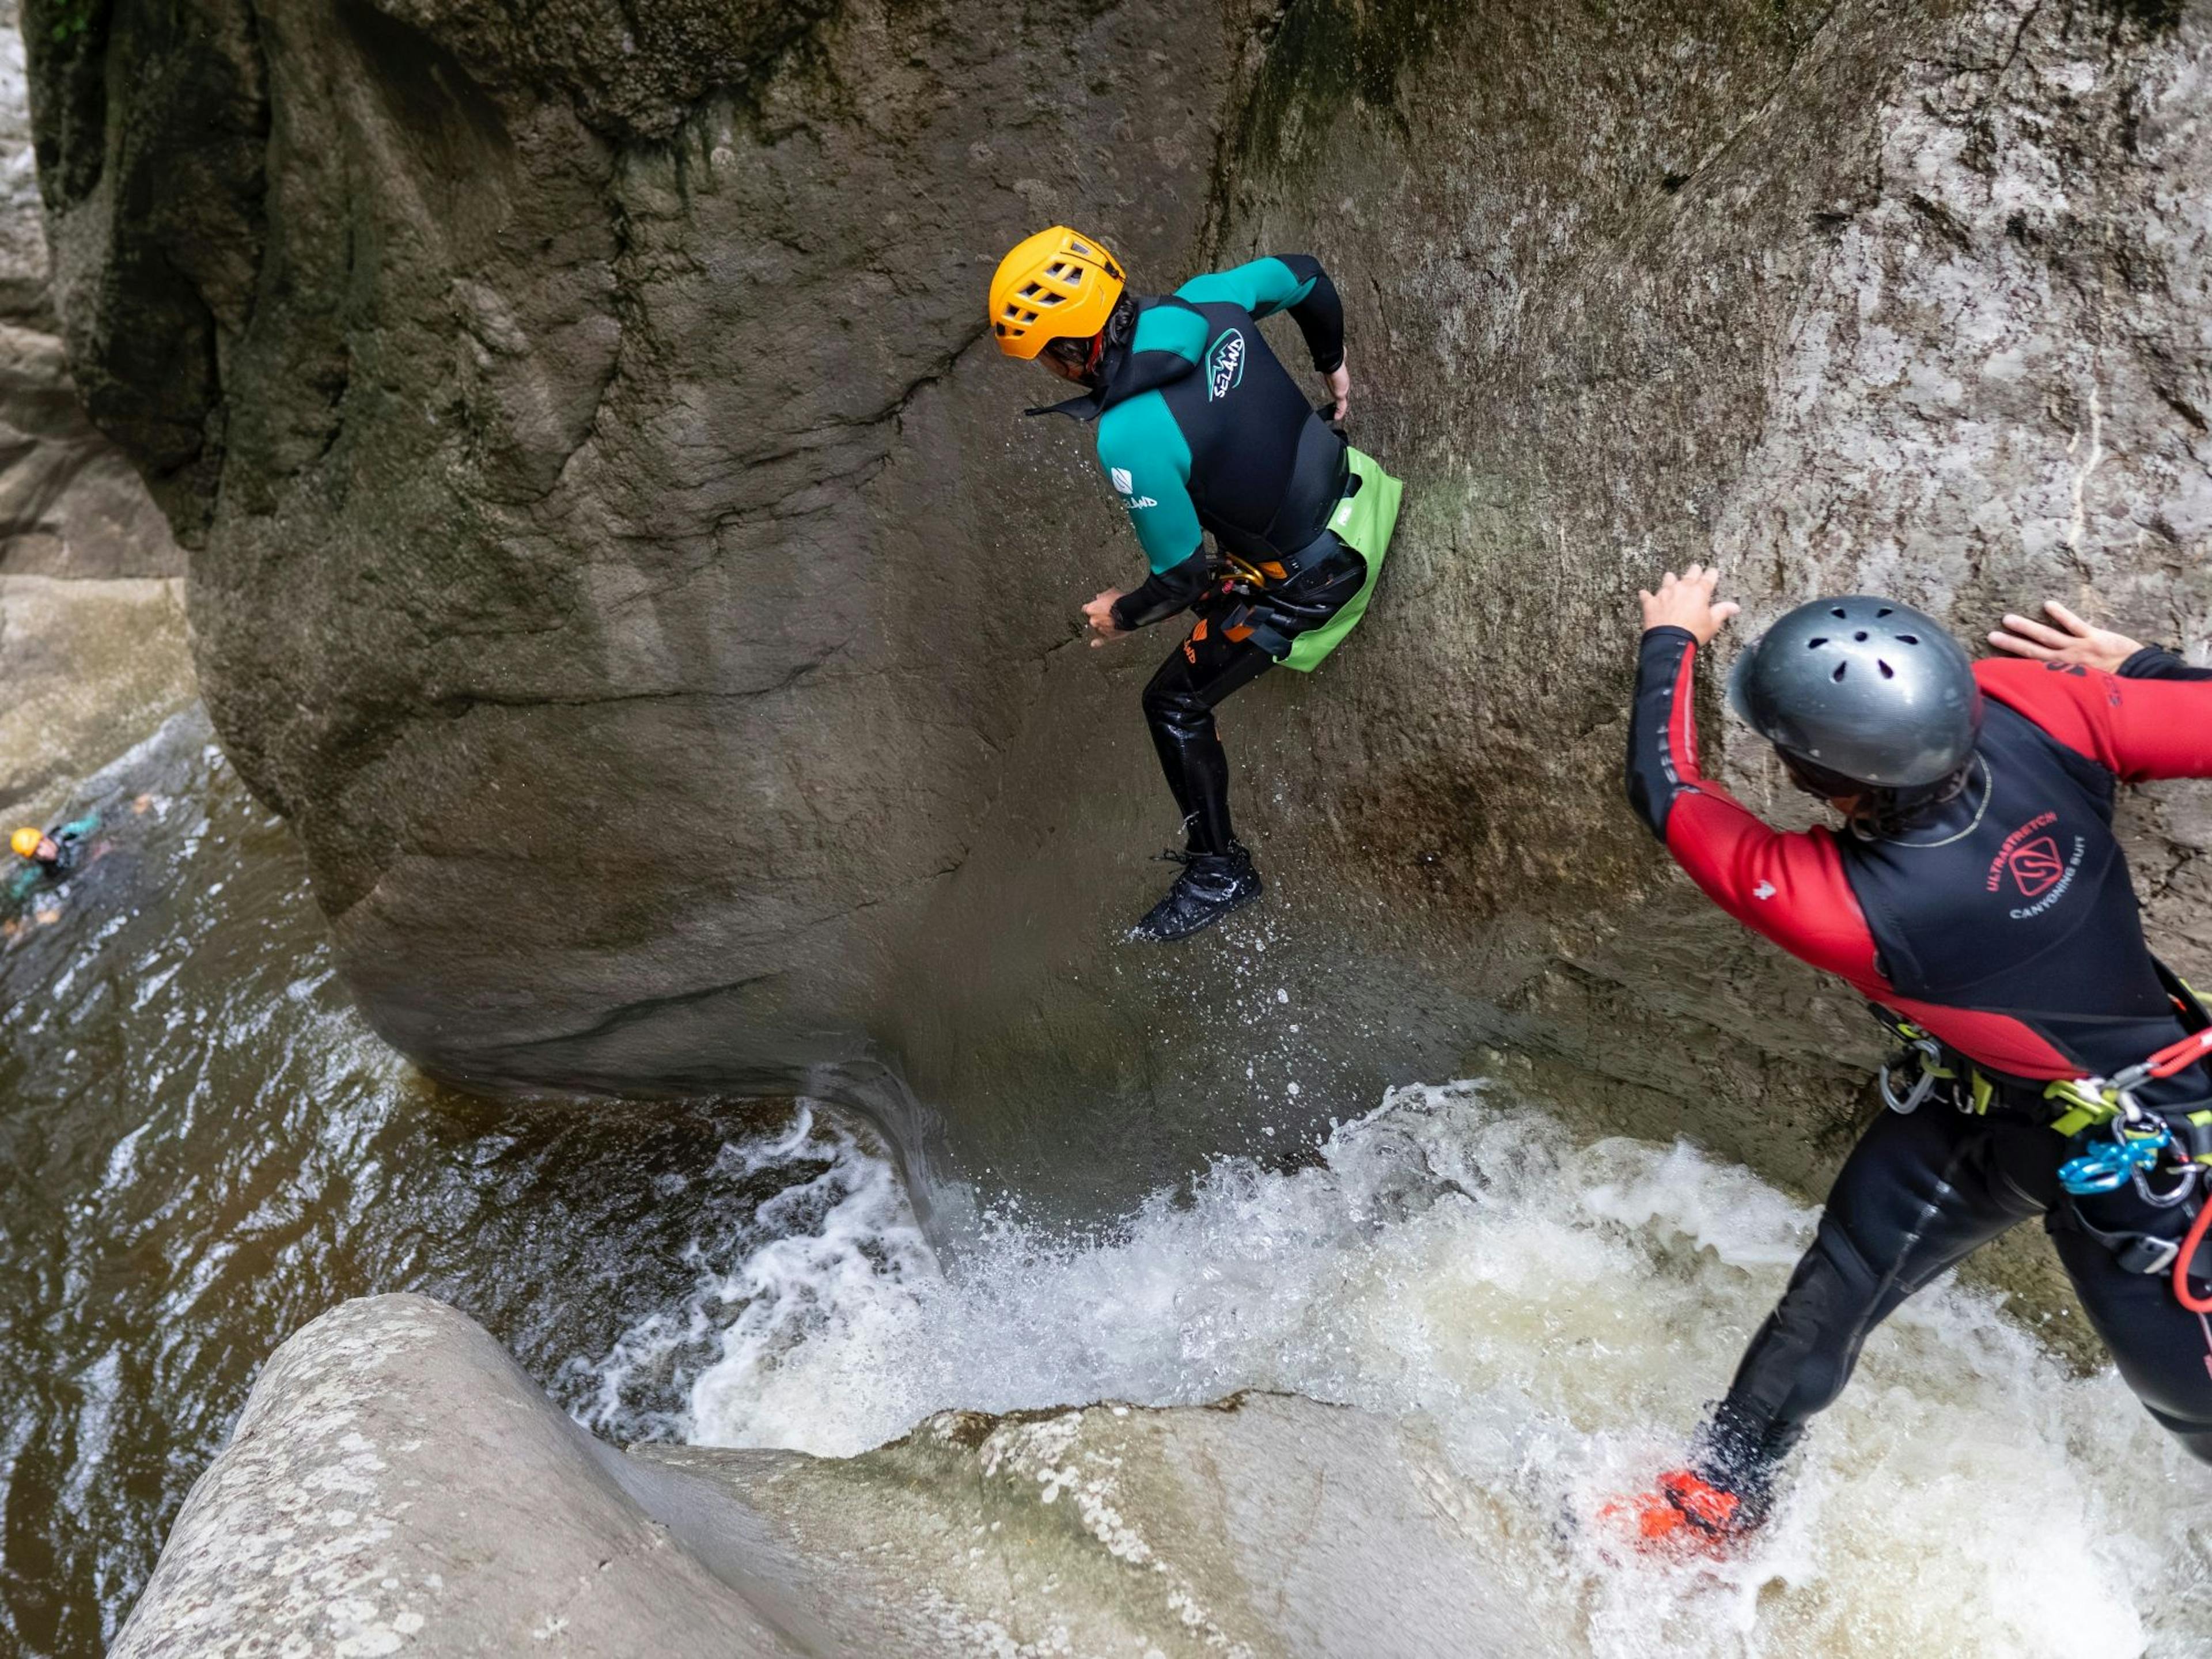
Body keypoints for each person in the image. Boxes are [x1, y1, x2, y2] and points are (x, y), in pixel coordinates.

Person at [1616, 569, 2212, 1547]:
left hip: (2133, 1162)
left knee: (1839, 1289)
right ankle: (1716, 1500)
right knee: (1841, 1278)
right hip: (2026, 1111)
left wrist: (1670, 640)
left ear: (1828, 787)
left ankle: (1715, 1510)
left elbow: (1670, 789)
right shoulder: (2040, 702)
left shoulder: (1849, 910)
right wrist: (2143, 671)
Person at [988, 226, 1403, 940]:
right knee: (1221, 581)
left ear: (1066, 356)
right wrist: (1333, 369)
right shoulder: (1211, 302)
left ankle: (1219, 871)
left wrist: (1121, 613)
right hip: (1359, 491)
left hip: (1318, 582)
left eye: (1044, 358)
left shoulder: (1128, 436)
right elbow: (1307, 276)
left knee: (1172, 703)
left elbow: (1178, 579)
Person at [7, 812, 100, 907]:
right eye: (34, 854)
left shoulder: (69, 833)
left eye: (39, 847)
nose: (42, 854)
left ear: (44, 839)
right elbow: (17, 891)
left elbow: (97, 820)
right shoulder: (37, 870)